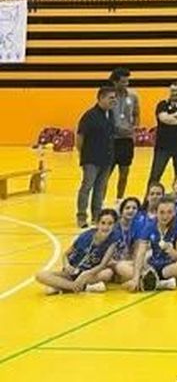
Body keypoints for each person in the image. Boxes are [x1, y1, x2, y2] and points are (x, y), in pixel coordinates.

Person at [36, 208, 117, 294]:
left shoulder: (113, 241)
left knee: (108, 273)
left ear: (114, 225)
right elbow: (65, 254)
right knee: (40, 275)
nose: (106, 227)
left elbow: (102, 265)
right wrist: (66, 265)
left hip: (90, 275)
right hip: (72, 273)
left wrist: (85, 274)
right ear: (97, 224)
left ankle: (61, 287)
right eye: (103, 223)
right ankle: (78, 287)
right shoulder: (85, 236)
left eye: (110, 224)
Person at [75, 86, 117, 229]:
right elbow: (79, 137)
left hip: (106, 159)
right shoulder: (89, 116)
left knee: (100, 188)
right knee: (87, 186)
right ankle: (81, 216)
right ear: (101, 98)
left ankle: (97, 216)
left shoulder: (110, 114)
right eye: (111, 98)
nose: (114, 100)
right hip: (91, 159)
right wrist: (84, 154)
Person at [105, 68, 139, 202]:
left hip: (127, 141)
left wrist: (134, 128)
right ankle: (100, 201)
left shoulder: (133, 96)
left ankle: (119, 200)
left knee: (124, 173)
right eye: (123, 82)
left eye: (127, 81)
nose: (126, 84)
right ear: (114, 82)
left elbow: (136, 114)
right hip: (111, 140)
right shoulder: (108, 96)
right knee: (106, 174)